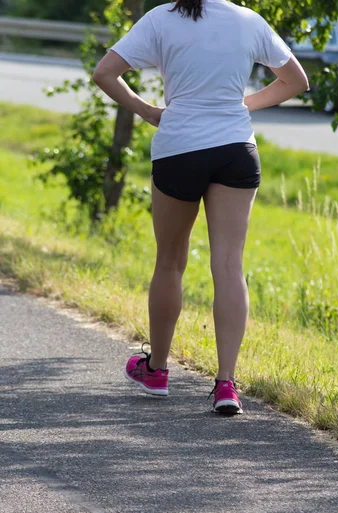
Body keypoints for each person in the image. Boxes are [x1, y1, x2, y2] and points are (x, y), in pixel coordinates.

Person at [93, 0, 308, 415]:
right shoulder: (249, 20)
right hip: (235, 149)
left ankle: (156, 371)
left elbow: (105, 73)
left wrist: (149, 111)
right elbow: (295, 80)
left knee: (170, 263)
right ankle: (226, 386)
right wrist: (241, 106)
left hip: (180, 148)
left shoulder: (160, 19)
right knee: (228, 265)